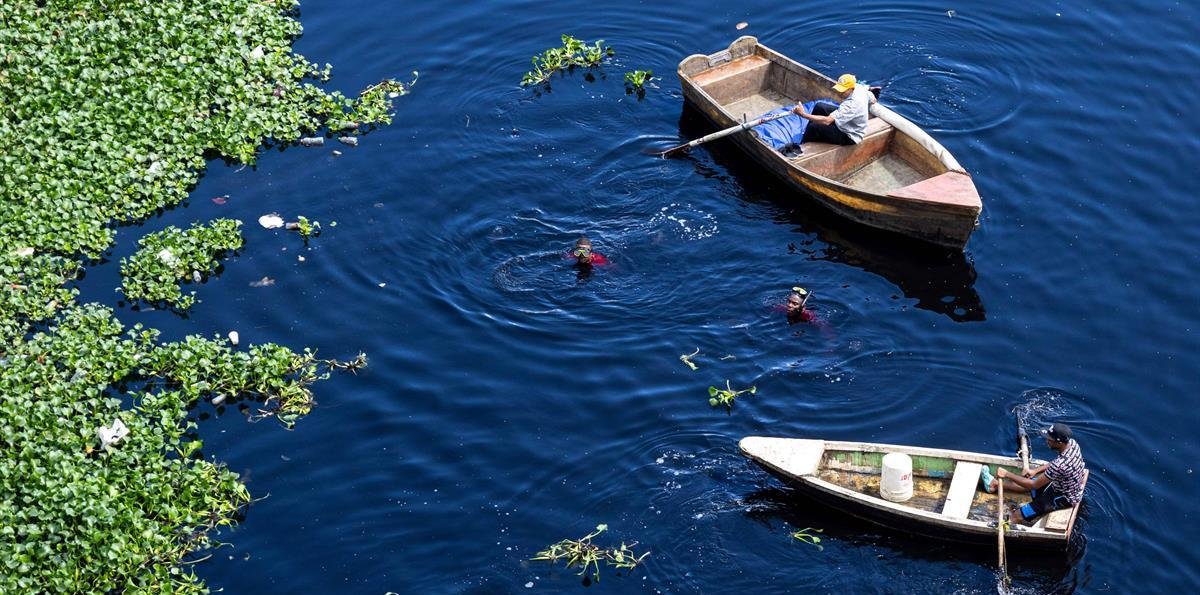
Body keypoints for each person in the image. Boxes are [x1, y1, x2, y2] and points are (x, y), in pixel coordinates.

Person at [980, 422, 1087, 523]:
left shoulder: (1060, 465)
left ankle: (1023, 515)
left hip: (1063, 498)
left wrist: (1007, 474)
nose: (1047, 441)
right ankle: (995, 484)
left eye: (1050, 439)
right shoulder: (1072, 444)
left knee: (1016, 515)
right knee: (1031, 481)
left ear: (1059, 442)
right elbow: (1055, 464)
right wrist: (1034, 471)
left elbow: (1034, 485)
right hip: (1064, 487)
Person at [792, 74, 877, 146]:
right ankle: (808, 135)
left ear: (851, 88)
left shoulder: (851, 105)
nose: (840, 93)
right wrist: (872, 98)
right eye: (840, 89)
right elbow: (871, 97)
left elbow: (827, 121)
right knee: (819, 106)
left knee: (813, 128)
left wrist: (802, 114)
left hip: (850, 134)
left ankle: (803, 146)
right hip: (847, 121)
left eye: (843, 91)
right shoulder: (859, 88)